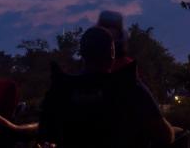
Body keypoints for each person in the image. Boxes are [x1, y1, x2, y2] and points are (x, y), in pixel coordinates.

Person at [39, 26, 181, 147]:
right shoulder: (129, 86)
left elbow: (46, 133)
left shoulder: (62, 89)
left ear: (82, 53)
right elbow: (165, 136)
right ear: (112, 53)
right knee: (179, 133)